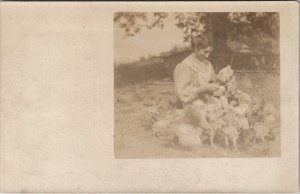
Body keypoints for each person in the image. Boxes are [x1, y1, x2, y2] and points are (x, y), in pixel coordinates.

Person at [173, 34, 219, 133]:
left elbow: (213, 82)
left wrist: (218, 86)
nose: (207, 55)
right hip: (191, 107)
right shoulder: (185, 66)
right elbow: (181, 94)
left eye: (209, 52)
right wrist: (203, 89)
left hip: (207, 102)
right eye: (205, 52)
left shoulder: (207, 64)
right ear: (195, 48)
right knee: (207, 129)